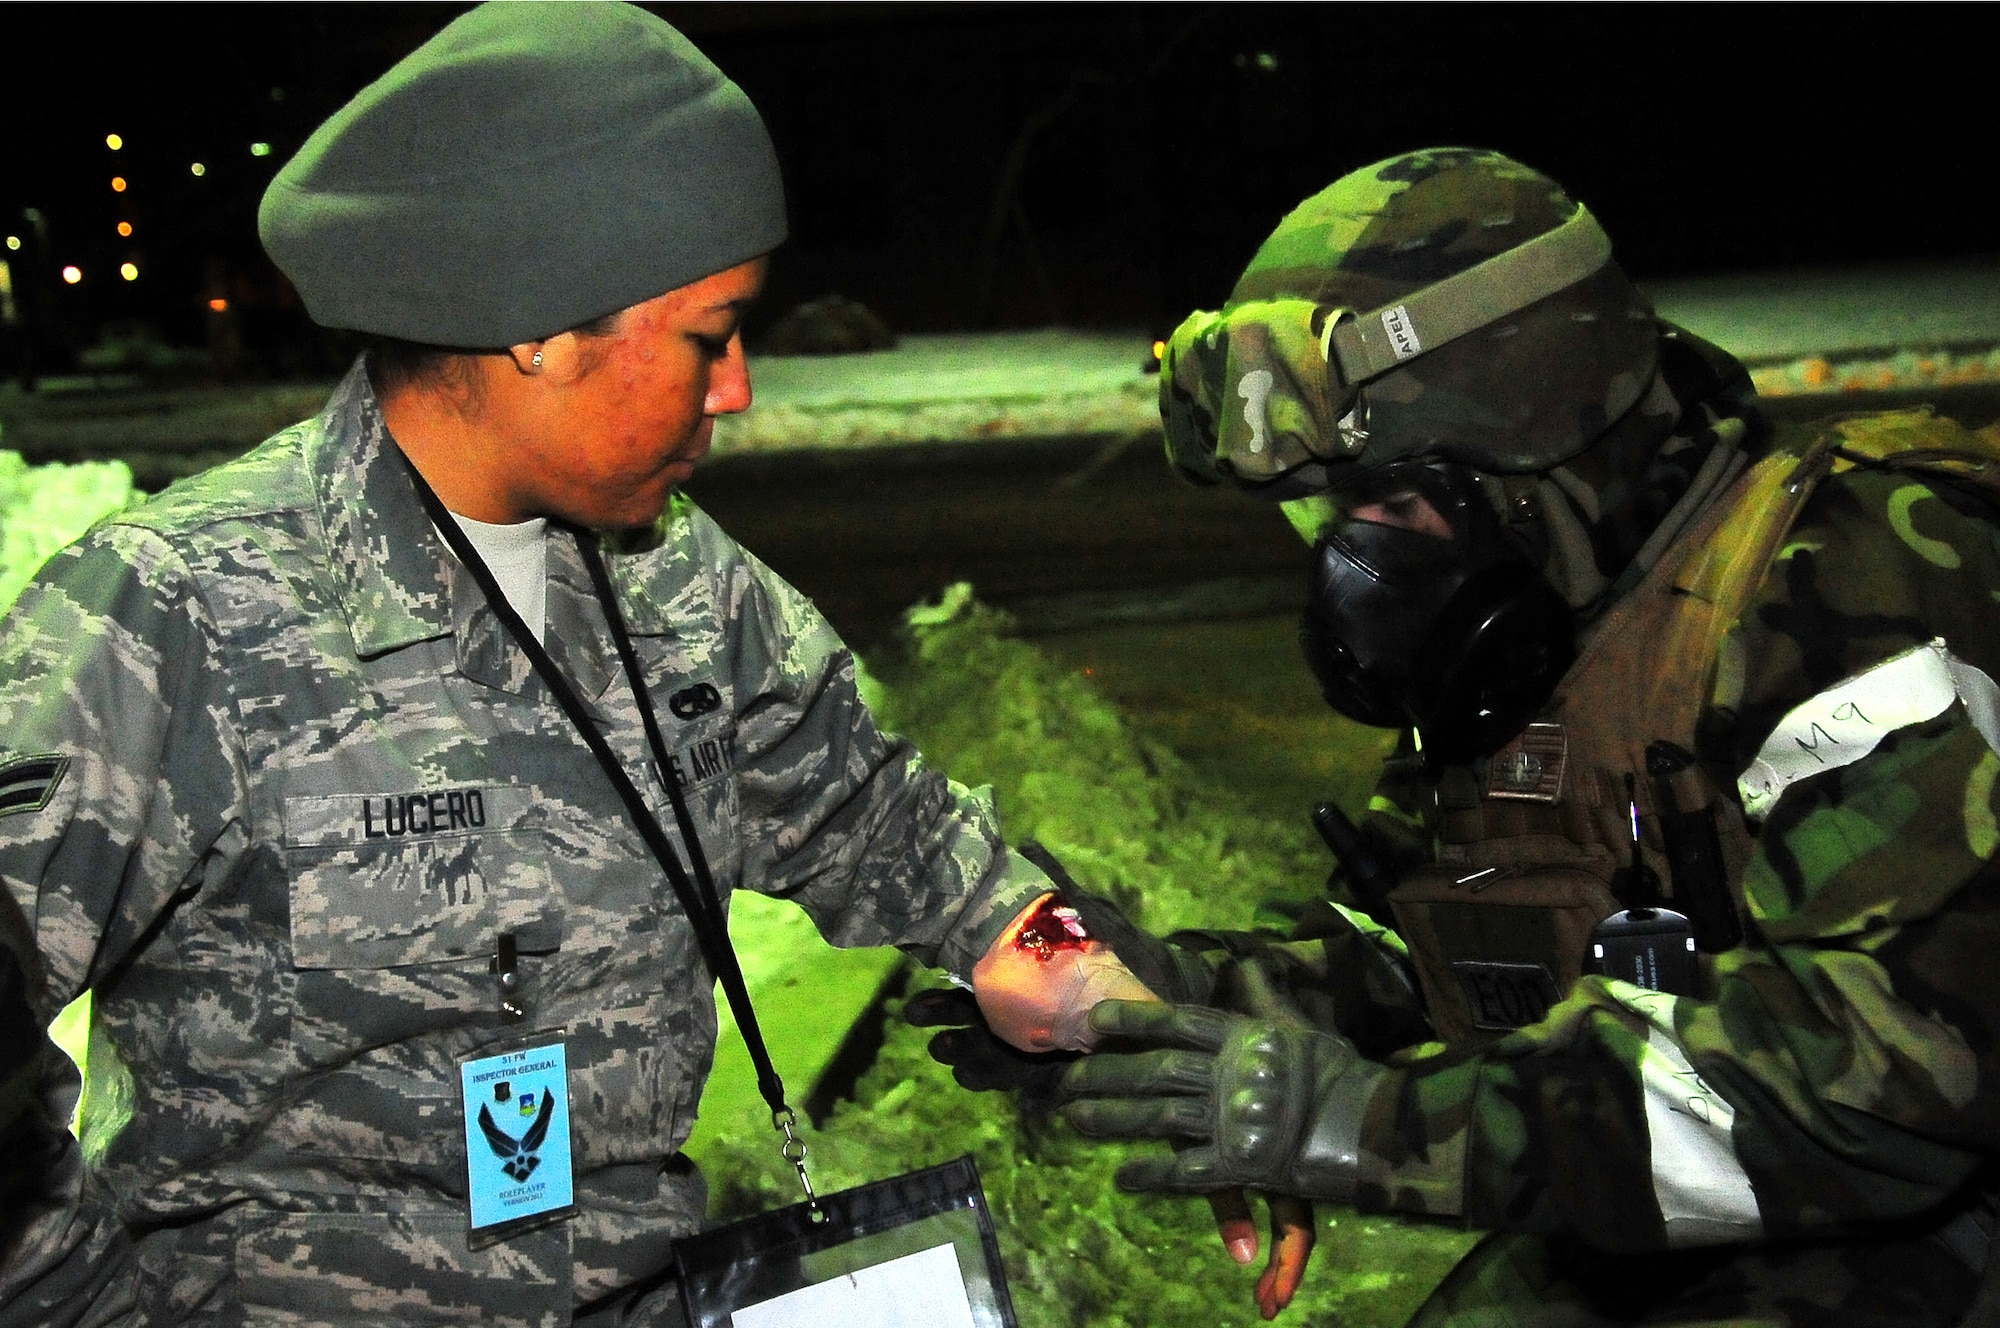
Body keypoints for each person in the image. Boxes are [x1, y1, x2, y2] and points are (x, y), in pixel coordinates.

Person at [0, 6, 1152, 1325]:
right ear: (540, 326)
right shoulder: (177, 614)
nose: (739, 392)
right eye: (709, 337)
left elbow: (904, 835)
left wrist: (1112, 1010)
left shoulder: (678, 578)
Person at [1056, 147, 2000, 1325]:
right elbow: (1442, 931)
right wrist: (1167, 1007)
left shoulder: (1853, 576)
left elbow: (1879, 1088)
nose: (1353, 566)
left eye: (1389, 505)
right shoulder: (1557, 622)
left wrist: (1361, 1121)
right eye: (1325, 515)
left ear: (1541, 456)